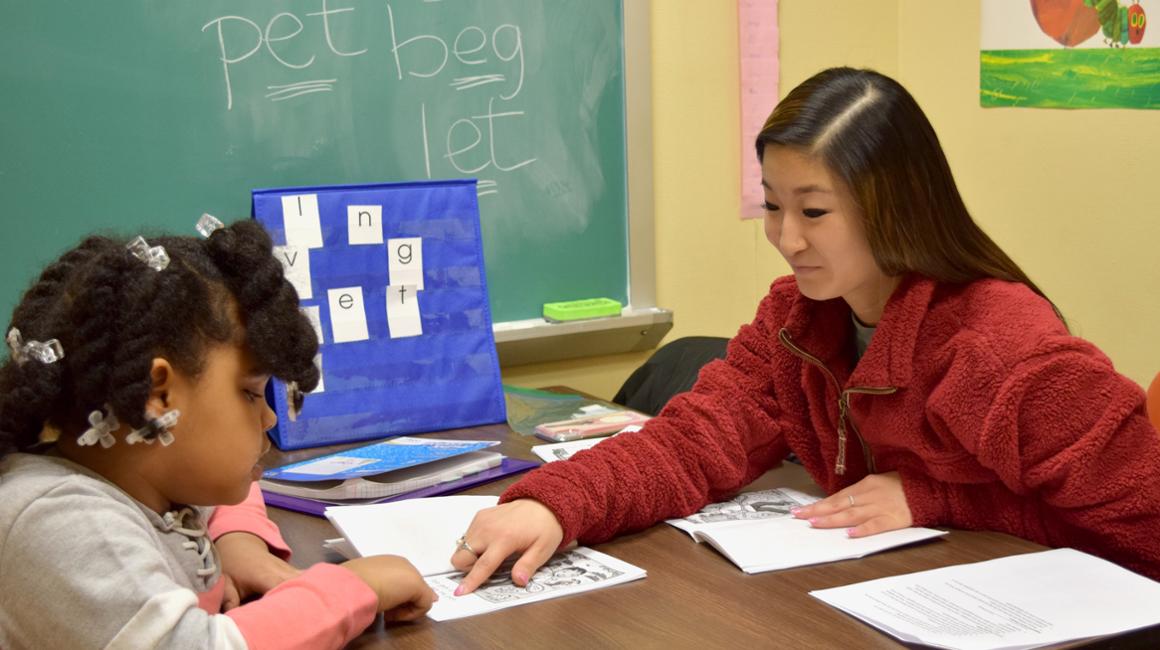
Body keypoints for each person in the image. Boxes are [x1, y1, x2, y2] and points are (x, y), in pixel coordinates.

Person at [448, 66, 1160, 593]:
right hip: (867, 603)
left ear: (898, 207)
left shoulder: (1000, 349)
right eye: (771, 207)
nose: (787, 239)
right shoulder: (795, 319)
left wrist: (939, 498)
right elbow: (696, 442)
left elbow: (1145, 521)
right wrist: (554, 503)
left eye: (814, 212)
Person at [0, 218, 435, 649]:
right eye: (250, 394)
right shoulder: (63, 523)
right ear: (158, 395)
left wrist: (237, 543)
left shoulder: (147, 476)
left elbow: (230, 486)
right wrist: (352, 589)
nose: (268, 419)